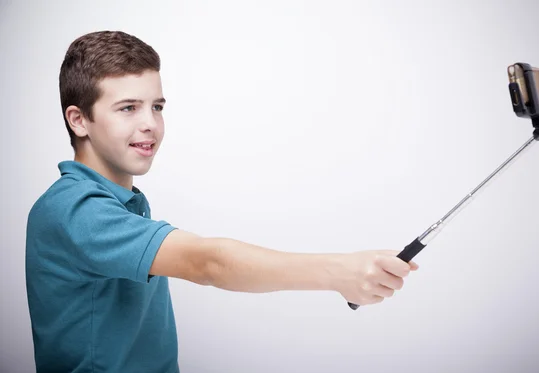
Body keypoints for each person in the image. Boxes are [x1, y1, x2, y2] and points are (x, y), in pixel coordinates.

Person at [25, 30, 419, 372]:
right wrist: (339, 274)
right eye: (128, 107)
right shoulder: (76, 210)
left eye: (157, 106)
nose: (150, 123)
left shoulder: (118, 202)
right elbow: (208, 261)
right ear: (78, 120)